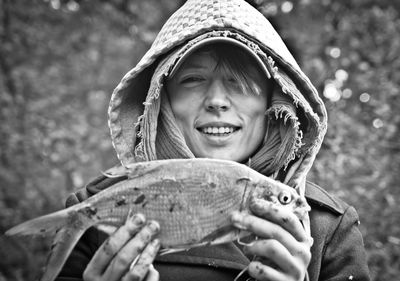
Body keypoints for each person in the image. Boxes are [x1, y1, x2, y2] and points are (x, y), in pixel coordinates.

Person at [57, 0, 371, 280]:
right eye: (193, 80)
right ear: (160, 100)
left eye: (240, 82)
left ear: (274, 104)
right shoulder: (92, 211)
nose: (217, 101)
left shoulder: (329, 229)